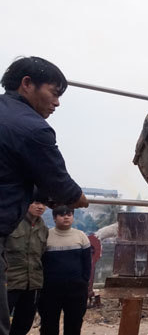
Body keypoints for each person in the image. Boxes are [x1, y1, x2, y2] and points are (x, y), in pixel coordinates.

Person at [0, 56, 89, 334]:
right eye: (54, 92)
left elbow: (15, 178)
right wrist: (78, 198)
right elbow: (63, 188)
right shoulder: (32, 128)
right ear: (27, 84)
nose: (57, 103)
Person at [38, 206, 91, 335]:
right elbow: (39, 262)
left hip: (76, 290)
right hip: (49, 290)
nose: (66, 217)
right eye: (62, 215)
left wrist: (83, 281)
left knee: (74, 325)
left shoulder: (81, 236)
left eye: (69, 214)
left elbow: (87, 263)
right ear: (55, 218)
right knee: (48, 325)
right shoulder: (46, 236)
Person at [6, 201, 48, 335]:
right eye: (36, 203)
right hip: (9, 282)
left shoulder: (43, 228)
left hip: (33, 284)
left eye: (43, 204)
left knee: (24, 323)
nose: (40, 207)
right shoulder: (11, 222)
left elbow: (41, 254)